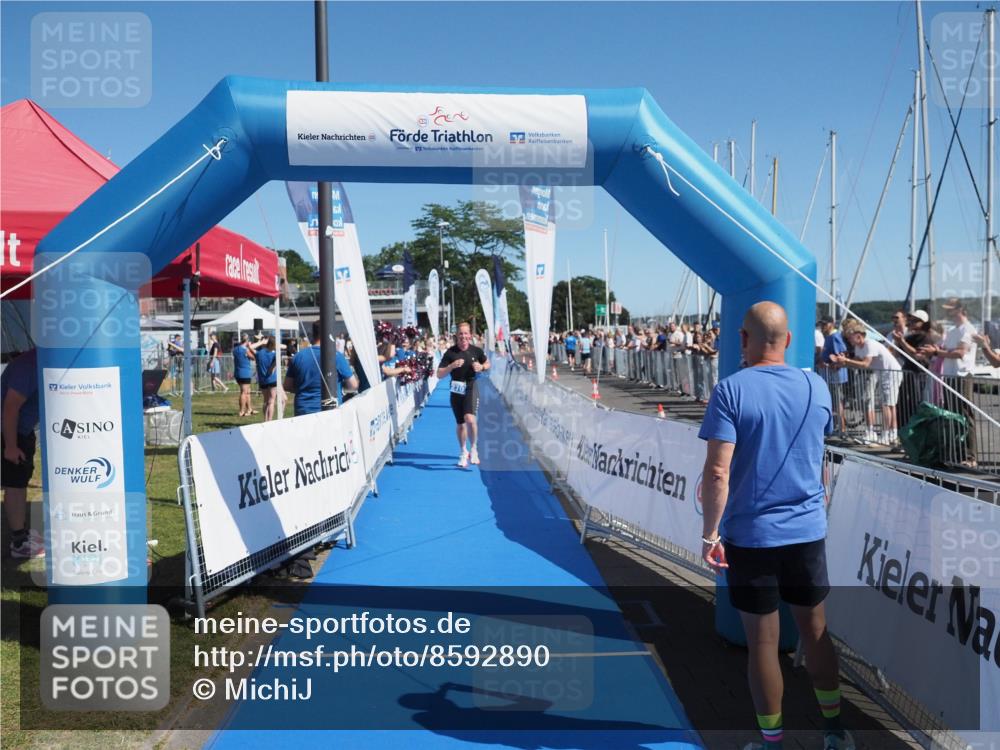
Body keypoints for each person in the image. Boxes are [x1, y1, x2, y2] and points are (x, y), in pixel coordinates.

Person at [698, 302, 851, 750]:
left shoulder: (731, 390)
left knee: (763, 643)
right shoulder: (815, 386)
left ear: (743, 340)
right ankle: (835, 733)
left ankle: (772, 743)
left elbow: (717, 474)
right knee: (816, 632)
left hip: (752, 536)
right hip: (806, 531)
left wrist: (710, 534)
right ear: (787, 341)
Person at [924, 299, 978, 466]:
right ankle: (957, 453)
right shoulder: (954, 330)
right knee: (953, 415)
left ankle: (970, 456)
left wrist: (937, 352)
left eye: (950, 309)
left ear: (960, 309)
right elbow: (948, 351)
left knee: (965, 414)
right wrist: (936, 352)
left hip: (962, 375)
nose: (947, 311)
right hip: (950, 376)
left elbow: (961, 352)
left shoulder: (967, 330)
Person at [2, 349, 44, 558]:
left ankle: (22, 535)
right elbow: (10, 408)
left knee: (19, 482)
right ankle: (19, 543)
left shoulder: (38, 360)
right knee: (15, 484)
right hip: (11, 431)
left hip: (22, 430)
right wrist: (10, 445)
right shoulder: (30, 364)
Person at [833, 325, 903, 446]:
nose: (849, 341)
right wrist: (843, 363)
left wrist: (846, 361)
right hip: (883, 374)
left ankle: (887, 435)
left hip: (890, 373)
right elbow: (856, 361)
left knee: (887, 405)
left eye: (850, 338)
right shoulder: (859, 347)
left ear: (858, 336)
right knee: (889, 405)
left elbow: (865, 364)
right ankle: (891, 434)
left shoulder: (870, 344)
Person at [436, 322, 490, 468]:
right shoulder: (450, 353)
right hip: (456, 388)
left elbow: (487, 363)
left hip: (471, 386)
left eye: (466, 333)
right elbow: (439, 374)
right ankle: (463, 451)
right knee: (460, 424)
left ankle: (474, 448)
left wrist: (482, 367)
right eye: (461, 334)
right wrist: (451, 366)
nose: (464, 336)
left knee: (470, 419)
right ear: (457, 336)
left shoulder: (476, 351)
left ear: (470, 335)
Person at [284, 322, 358, 416]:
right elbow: (353, 385)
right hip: (329, 411)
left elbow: (287, 385)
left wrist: (304, 388)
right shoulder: (336, 356)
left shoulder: (298, 356)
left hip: (303, 411)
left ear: (313, 334)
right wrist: (341, 387)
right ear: (329, 333)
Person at [818, 317, 847, 437]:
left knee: (837, 402)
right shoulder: (829, 337)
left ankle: (842, 429)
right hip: (832, 375)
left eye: (825, 324)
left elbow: (840, 355)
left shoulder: (835, 337)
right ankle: (839, 427)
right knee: (835, 402)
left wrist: (831, 365)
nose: (823, 326)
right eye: (822, 324)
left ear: (831, 324)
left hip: (836, 376)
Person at [232, 334, 257, 417]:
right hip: (245, 374)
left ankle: (249, 409)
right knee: (244, 392)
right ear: (247, 341)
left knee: (247, 392)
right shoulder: (246, 350)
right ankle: (241, 411)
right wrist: (250, 347)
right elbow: (253, 357)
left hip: (238, 373)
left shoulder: (235, 349)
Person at [256, 336, 279, 421]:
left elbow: (250, 348)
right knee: (271, 401)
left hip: (263, 380)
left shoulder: (259, 353)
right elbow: (273, 369)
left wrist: (261, 342)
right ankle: (269, 420)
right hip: (272, 379)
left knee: (265, 401)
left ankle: (265, 420)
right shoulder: (275, 354)